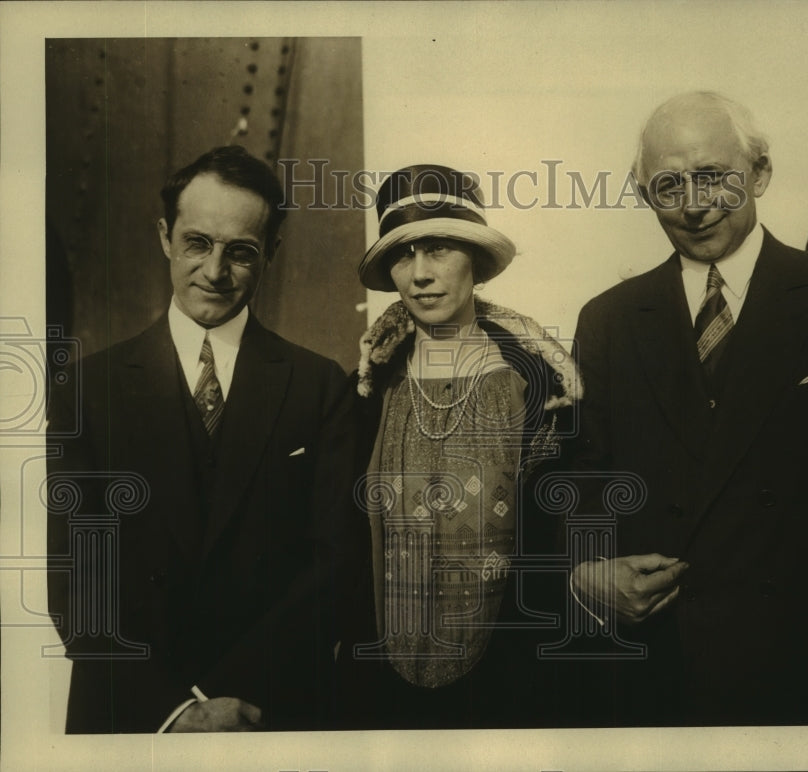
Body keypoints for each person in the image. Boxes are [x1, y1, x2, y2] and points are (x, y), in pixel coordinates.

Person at [563, 92, 808, 725]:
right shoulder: (608, 320)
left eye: (714, 176)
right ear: (643, 195)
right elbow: (581, 476)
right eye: (669, 185)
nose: (694, 204)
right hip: (661, 678)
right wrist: (585, 572)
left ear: (760, 173)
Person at [46, 145, 354, 732]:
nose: (215, 272)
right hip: (132, 717)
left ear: (271, 253)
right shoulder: (84, 391)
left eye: (240, 252)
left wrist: (223, 702)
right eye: (197, 243)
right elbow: (76, 583)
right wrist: (176, 710)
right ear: (165, 237)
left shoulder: (320, 386)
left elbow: (332, 568)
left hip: (268, 713)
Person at [335, 164, 580, 728]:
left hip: (510, 675)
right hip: (380, 677)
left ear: (475, 258)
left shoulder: (542, 387)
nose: (421, 274)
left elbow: (556, 536)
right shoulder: (368, 389)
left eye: (439, 249)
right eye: (404, 256)